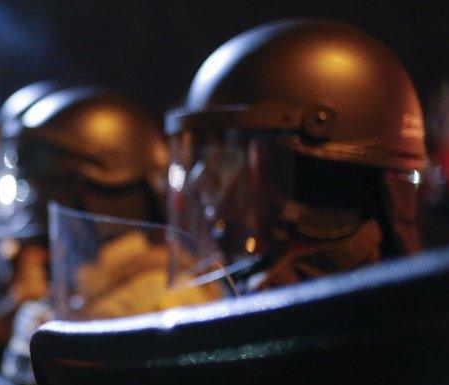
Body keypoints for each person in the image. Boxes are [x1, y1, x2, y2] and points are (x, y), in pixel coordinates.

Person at [166, 19, 427, 291]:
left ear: (311, 173)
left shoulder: (366, 317)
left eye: (229, 156)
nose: (202, 179)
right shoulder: (279, 294)